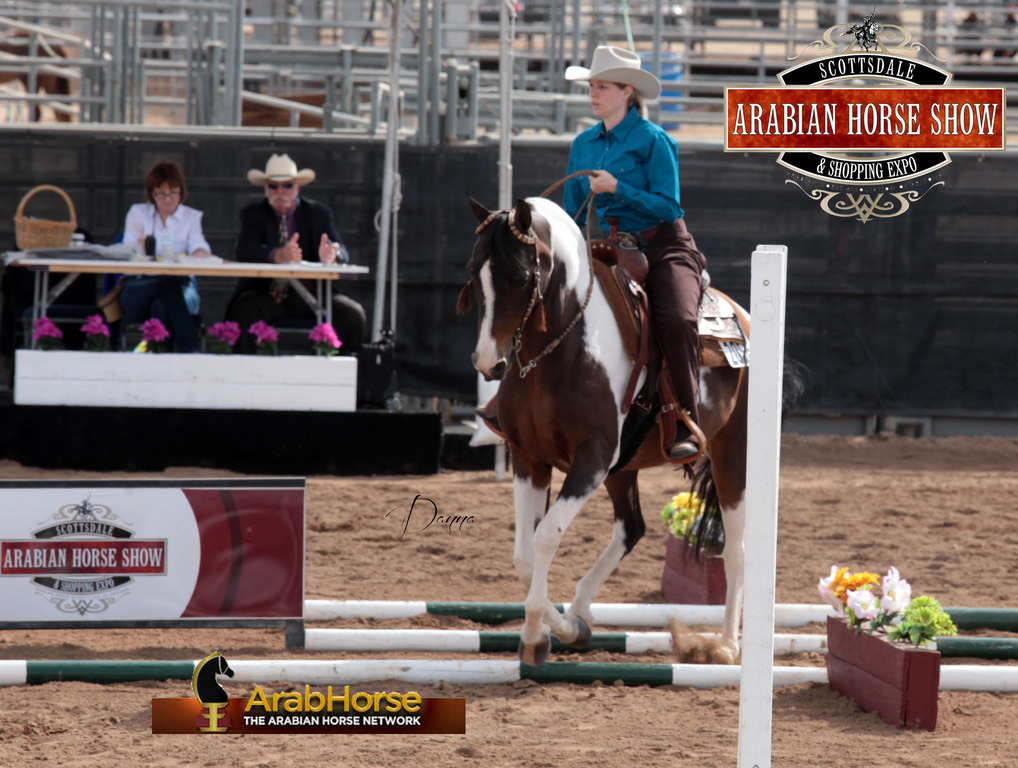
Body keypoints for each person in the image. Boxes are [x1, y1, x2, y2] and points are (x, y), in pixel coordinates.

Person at [563, 45, 706, 462]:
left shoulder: (654, 141)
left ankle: (685, 420)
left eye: (602, 87)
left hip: (663, 246)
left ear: (627, 91)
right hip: (607, 247)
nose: (593, 94)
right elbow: (573, 211)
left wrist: (617, 189)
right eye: (591, 86)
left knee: (677, 321)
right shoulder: (583, 143)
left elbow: (670, 206)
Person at [226, 153, 365, 355]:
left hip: (313, 296)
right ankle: (244, 377)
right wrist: (276, 255)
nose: (280, 191)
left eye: (287, 186)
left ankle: (346, 380)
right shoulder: (253, 213)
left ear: (297, 188)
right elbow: (244, 250)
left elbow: (341, 249)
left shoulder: (318, 213)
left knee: (352, 314)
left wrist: (332, 256)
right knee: (244, 309)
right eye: (273, 186)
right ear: (266, 188)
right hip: (269, 295)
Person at [120, 159, 209, 353]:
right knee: (167, 282)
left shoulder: (191, 217)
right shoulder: (138, 213)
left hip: (182, 289)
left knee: (162, 304)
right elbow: (125, 253)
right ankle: (189, 349)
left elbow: (199, 245)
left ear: (181, 192)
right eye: (162, 194)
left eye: (173, 192)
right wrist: (139, 247)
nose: (168, 199)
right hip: (140, 288)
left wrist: (199, 253)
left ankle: (161, 358)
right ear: (152, 194)